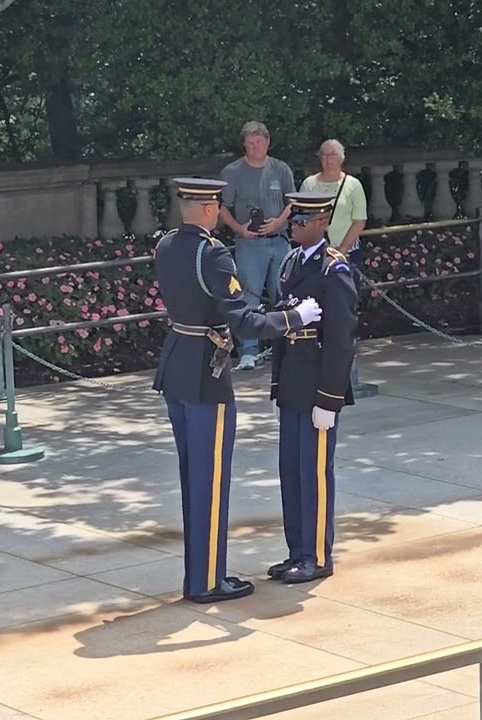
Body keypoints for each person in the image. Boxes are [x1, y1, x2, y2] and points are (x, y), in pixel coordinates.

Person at [152, 178, 323, 603]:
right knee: (209, 481)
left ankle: (201, 573)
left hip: (175, 365)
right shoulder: (211, 254)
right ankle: (207, 580)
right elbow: (243, 322)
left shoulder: (167, 245)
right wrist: (293, 318)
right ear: (210, 210)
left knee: (192, 476)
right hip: (205, 375)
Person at [266, 191, 358, 584]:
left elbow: (340, 339)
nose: (294, 226)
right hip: (292, 383)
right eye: (293, 220)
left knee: (315, 473)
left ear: (322, 223)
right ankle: (296, 551)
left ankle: (317, 556)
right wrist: (277, 382)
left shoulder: (333, 270)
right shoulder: (290, 262)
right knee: (291, 470)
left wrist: (330, 398)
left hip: (318, 385)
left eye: (302, 221)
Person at [219, 121, 297, 371]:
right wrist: (238, 228)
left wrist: (279, 221)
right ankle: (249, 352)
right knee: (249, 297)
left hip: (279, 241)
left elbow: (292, 202)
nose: (255, 147)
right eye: (251, 143)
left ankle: (285, 347)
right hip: (249, 243)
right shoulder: (232, 172)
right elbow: (221, 206)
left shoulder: (281, 169)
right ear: (244, 145)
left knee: (284, 295)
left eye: (259, 142)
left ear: (268, 142)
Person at [299, 138, 368, 390]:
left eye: (332, 155)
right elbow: (302, 216)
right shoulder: (309, 183)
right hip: (315, 254)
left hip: (345, 253)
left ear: (341, 158)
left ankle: (346, 370)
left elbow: (359, 220)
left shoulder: (352, 185)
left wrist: (342, 250)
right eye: (324, 155)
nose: (328, 159)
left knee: (344, 310)